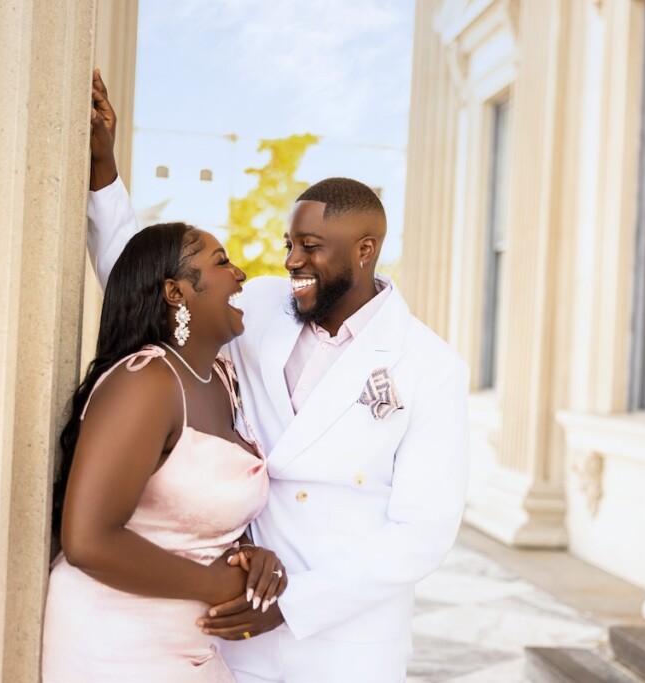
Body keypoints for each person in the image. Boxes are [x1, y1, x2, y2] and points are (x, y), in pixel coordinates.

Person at [86, 71, 470, 682]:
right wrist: (103, 175)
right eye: (289, 243)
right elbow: (151, 288)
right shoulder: (259, 308)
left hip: (344, 641)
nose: (291, 260)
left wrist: (294, 607)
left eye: (311, 245)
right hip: (231, 624)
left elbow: (422, 534)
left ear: (365, 249)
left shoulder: (432, 367)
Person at [42, 217, 290, 682]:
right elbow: (87, 539)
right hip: (112, 641)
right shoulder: (146, 382)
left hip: (190, 643)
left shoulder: (223, 379)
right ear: (176, 293)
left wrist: (250, 555)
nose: (239, 274)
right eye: (221, 262)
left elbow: (192, 510)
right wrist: (217, 583)